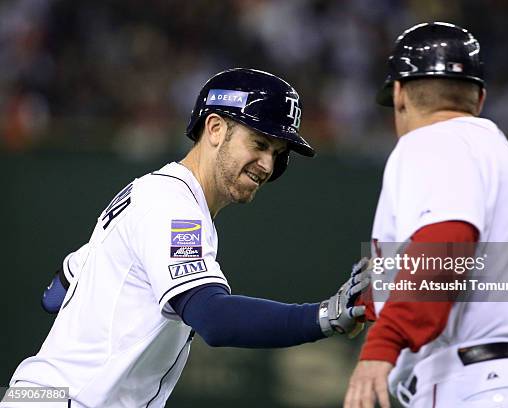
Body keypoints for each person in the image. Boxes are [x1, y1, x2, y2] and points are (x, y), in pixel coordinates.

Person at [3, 68, 370, 408]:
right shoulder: (175, 208)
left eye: (278, 154)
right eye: (258, 143)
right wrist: (323, 316)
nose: (267, 165)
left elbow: (57, 291)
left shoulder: (154, 194)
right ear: (214, 128)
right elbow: (213, 318)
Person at [343, 23, 508, 408]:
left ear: (399, 93)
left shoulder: (432, 140)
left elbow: (446, 245)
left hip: (484, 385)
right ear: (480, 98)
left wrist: (383, 343)